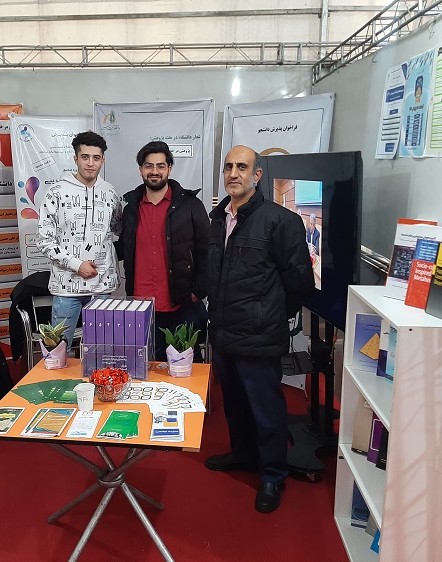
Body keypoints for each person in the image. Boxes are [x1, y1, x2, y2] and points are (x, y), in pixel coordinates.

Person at [205, 145, 315, 513]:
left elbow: (299, 282)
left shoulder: (281, 222)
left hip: (259, 334)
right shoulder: (218, 217)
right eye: (228, 167)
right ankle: (243, 454)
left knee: (266, 408)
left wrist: (271, 315)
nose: (233, 173)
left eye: (242, 167)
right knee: (235, 404)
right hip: (224, 330)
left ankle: (272, 474)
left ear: (257, 175)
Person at [119, 141, 210, 362]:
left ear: (169, 168)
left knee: (185, 366)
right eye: (149, 166)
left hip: (181, 301)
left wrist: (200, 289)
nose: (154, 171)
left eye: (160, 166)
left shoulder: (191, 205)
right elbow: (124, 246)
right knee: (146, 366)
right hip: (140, 304)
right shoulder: (131, 208)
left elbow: (207, 249)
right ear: (141, 169)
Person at [36, 131, 122, 348]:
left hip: (102, 287)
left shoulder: (110, 193)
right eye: (85, 157)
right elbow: (44, 240)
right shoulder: (55, 192)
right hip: (66, 288)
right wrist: (77, 264)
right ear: (75, 159)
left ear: (102, 160)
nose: (90, 163)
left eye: (96, 158)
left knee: (103, 349)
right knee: (59, 350)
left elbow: (118, 229)